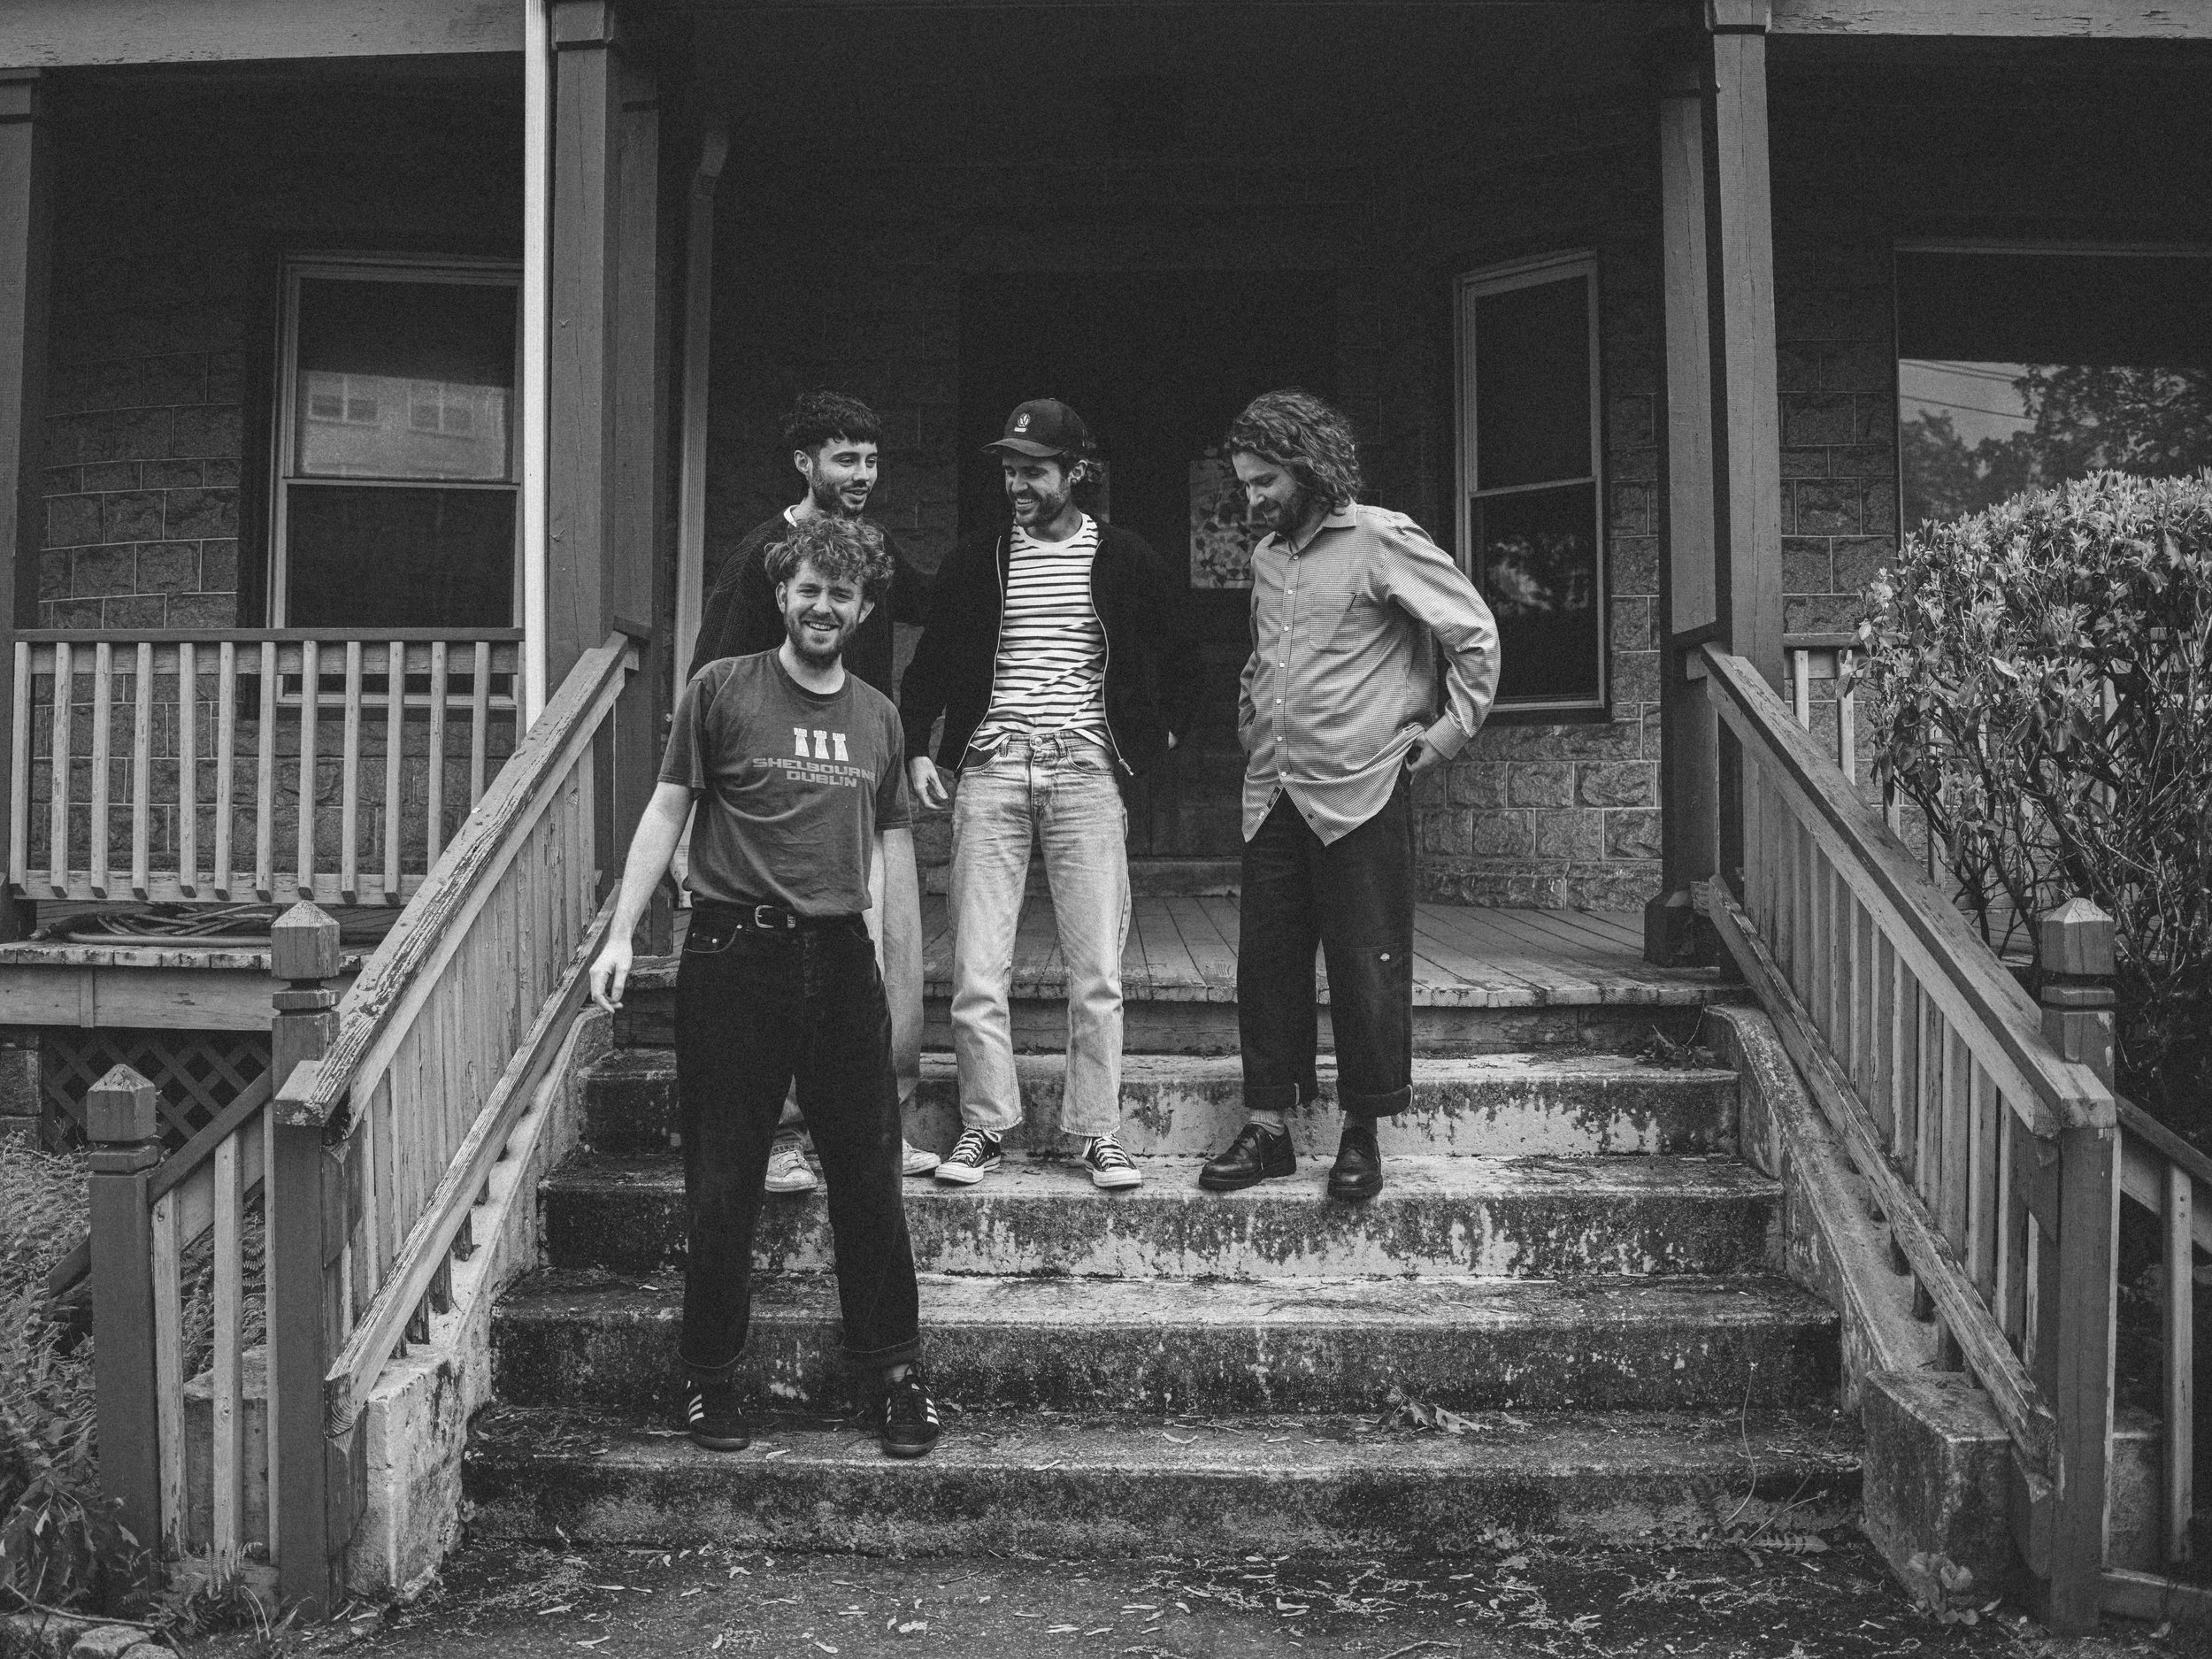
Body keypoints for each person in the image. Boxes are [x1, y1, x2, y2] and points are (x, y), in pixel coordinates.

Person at [591, 513, 941, 1460]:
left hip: (840, 961)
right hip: (732, 958)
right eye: (810, 589)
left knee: (869, 1176)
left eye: (842, 594)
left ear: (862, 609)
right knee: (723, 1178)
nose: (824, 606)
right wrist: (621, 934)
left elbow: (885, 852)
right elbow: (667, 811)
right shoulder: (720, 690)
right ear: (783, 594)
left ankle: (895, 1376)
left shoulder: (878, 715)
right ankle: (709, 1379)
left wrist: (888, 970)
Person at [1200, 390, 1499, 1202]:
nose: (1252, 499)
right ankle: (1267, 1128)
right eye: (1245, 483)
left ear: (1307, 467)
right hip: (1274, 791)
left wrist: (1445, 736)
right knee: (1266, 965)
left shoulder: (1381, 539)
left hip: (1363, 789)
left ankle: (1362, 1131)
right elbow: (1263, 657)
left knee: (1366, 965)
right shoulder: (1267, 559)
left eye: (1265, 482)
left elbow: (1473, 633)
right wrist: (1249, 721)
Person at [898, 398, 1195, 1189]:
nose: (1017, 485)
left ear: (1075, 471)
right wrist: (916, 743)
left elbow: (1183, 650)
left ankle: (1098, 1130)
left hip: (1084, 771)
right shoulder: (978, 560)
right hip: (993, 768)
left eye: (1033, 471)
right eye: (1009, 471)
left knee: (1096, 973)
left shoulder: (1125, 557)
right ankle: (985, 1126)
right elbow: (931, 660)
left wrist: (1159, 735)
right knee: (975, 970)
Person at [690, 391, 938, 1190]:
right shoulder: (763, 556)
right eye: (846, 459)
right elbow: (711, 682)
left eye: (872, 460)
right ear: (805, 463)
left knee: (883, 966)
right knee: (789, 977)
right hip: (784, 803)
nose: (863, 474)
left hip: (864, 788)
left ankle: (874, 1132)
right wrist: (704, 810)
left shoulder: (874, 551)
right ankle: (782, 1138)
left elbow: (942, 605)